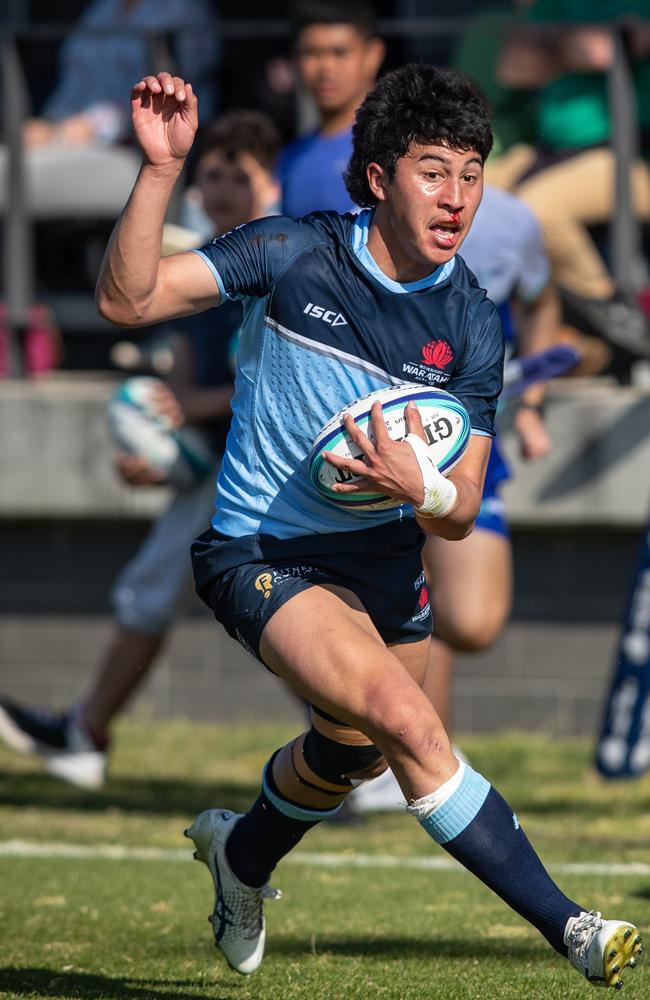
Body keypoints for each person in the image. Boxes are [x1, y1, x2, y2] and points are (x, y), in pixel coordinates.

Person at [88, 64, 642, 987]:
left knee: (345, 753)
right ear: (380, 177)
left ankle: (243, 858)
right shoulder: (291, 254)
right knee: (408, 728)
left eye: (472, 173)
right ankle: (576, 928)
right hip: (261, 552)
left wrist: (417, 486)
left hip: (385, 555)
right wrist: (158, 172)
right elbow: (127, 301)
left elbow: (460, 508)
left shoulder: (472, 320)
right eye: (435, 170)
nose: (457, 196)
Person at [0, 111, 282, 788]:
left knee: (275, 617)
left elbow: (274, 384)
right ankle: (86, 732)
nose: (218, 191)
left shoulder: (284, 259)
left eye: (235, 177)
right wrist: (161, 449)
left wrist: (196, 408)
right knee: (162, 596)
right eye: (208, 176)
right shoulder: (200, 265)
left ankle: (362, 755)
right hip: (216, 470)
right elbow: (186, 379)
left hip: (271, 473)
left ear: (270, 183)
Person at [492, 0, 650, 360]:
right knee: (467, 192)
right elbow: (513, 66)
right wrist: (574, 47)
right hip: (555, 153)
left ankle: (614, 312)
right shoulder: (559, 3)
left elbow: (611, 49)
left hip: (633, 155)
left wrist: (558, 48)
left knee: (536, 208)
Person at [0, 0, 219, 218]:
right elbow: (74, 82)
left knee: (13, 174)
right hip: (70, 137)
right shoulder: (102, 8)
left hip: (136, 147)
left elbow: (173, 97)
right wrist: (48, 127)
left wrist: (77, 130)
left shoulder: (183, 9)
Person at [278, 0, 385, 217]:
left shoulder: (399, 144)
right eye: (311, 53)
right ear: (295, 60)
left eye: (339, 52)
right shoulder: (289, 158)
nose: (326, 67)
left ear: (373, 54)